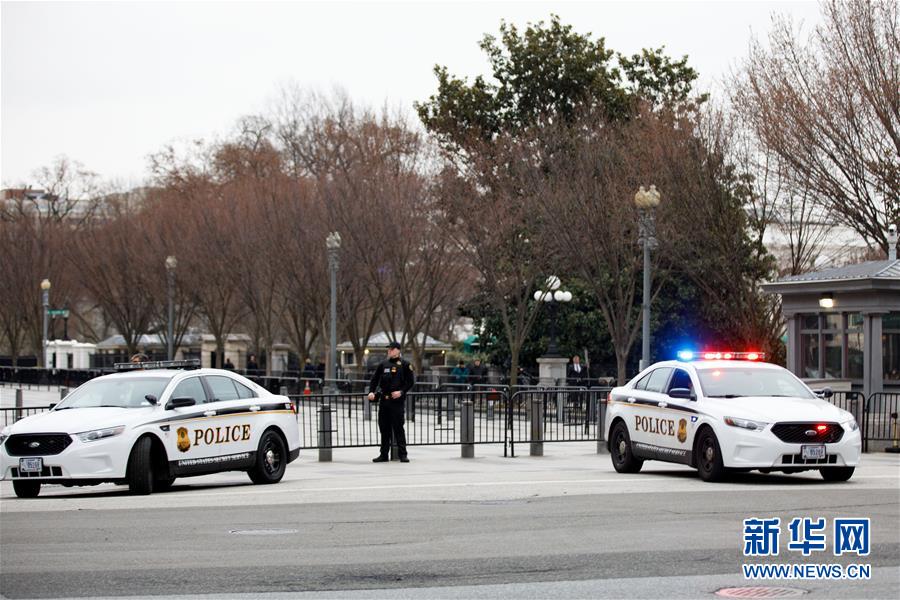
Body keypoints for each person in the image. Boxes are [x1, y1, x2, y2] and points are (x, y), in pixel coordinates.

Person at [368, 341, 415, 463]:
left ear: (398, 350)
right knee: (384, 428)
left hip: (397, 401)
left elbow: (410, 382)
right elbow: (375, 379)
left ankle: (403, 454)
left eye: (392, 349)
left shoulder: (405, 364)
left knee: (399, 428)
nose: (389, 351)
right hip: (384, 400)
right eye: (389, 349)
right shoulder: (383, 364)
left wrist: (401, 392)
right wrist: (371, 391)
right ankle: (384, 454)